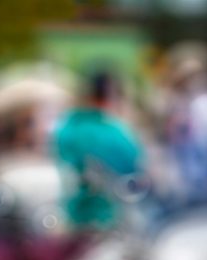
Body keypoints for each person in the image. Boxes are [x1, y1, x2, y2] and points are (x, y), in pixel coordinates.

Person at [53, 70, 146, 231]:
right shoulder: (115, 133)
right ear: (111, 94)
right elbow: (136, 172)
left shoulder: (63, 128)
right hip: (108, 221)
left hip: (71, 219)